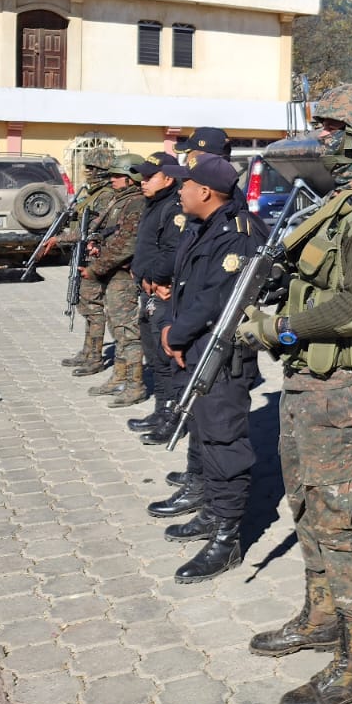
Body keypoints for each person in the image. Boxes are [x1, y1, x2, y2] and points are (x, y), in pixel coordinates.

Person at [238, 82, 352, 704]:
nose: (323, 140)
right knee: (304, 499)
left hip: (335, 387)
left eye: (333, 128)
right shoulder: (338, 204)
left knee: (340, 514)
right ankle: (319, 618)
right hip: (306, 381)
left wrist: (277, 329)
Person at [144, 151, 266, 583]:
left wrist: (176, 335)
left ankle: (228, 537)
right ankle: (212, 513)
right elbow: (186, 284)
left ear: (206, 192)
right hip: (195, 346)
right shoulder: (205, 224)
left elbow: (217, 299)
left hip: (222, 353)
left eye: (186, 185)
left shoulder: (239, 234)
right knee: (206, 434)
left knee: (224, 440)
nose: (180, 190)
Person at [126, 151, 187, 445]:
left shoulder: (174, 207)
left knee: (166, 357)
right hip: (148, 288)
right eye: (142, 176)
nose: (143, 182)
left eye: (150, 176)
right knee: (154, 356)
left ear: (169, 178)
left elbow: (172, 253)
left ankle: (173, 417)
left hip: (163, 291)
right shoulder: (154, 203)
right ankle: (160, 410)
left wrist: (154, 277)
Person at [81, 154, 146, 407]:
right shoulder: (122, 201)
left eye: (118, 176)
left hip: (123, 275)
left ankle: (135, 384)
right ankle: (119, 376)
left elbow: (125, 245)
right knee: (117, 328)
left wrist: (96, 268)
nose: (113, 180)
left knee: (127, 331)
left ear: (132, 178)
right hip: (113, 273)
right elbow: (111, 236)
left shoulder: (136, 203)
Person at [48, 147, 115, 373]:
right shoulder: (92, 192)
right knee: (85, 306)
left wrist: (59, 239)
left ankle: (95, 357)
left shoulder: (106, 195)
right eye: (87, 168)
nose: (88, 172)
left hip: (95, 255)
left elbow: (91, 229)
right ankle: (88, 351)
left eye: (93, 168)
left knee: (93, 309)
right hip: (82, 254)